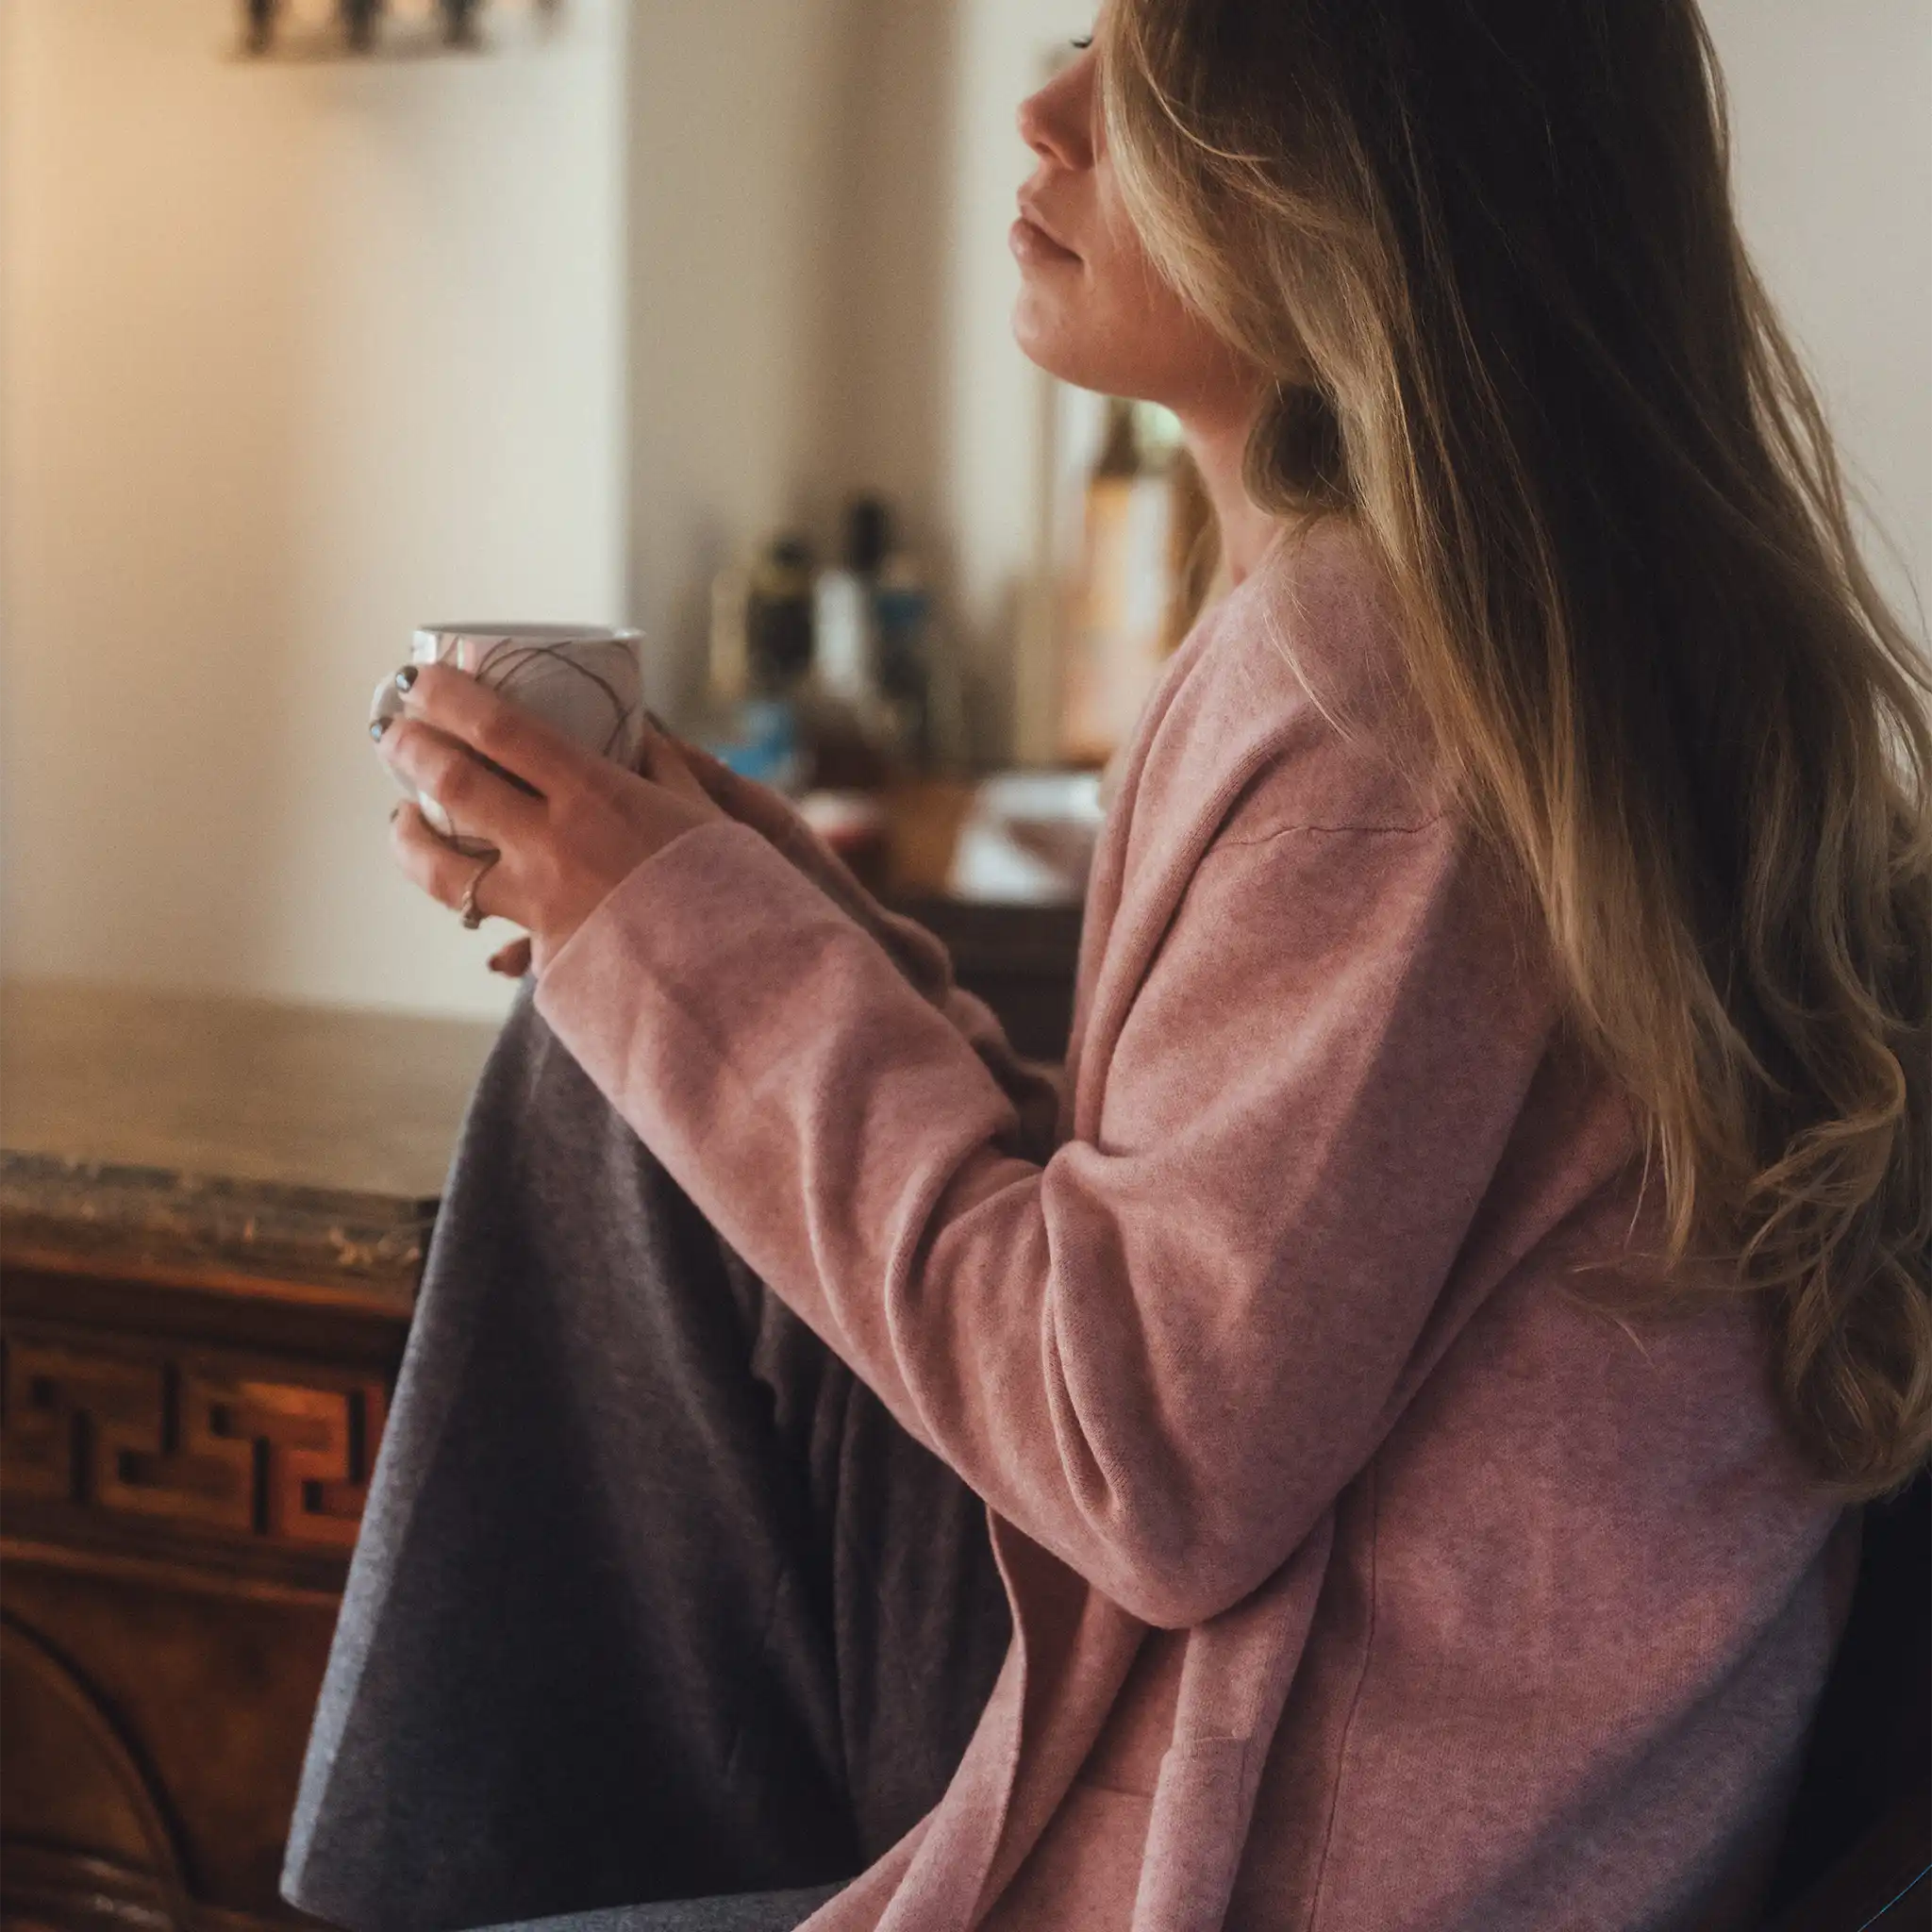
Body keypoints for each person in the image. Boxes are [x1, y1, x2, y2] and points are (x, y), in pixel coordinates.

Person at [313, 1, 1932, 1927]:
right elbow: (1204, 1264)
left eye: (1154, 81)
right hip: (1351, 1760)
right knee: (610, 1063)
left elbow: (1140, 1446)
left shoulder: (1373, 687)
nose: (1048, 106)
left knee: (605, 1065)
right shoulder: (1471, 640)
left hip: (1303, 1852)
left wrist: (673, 948)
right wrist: (706, 907)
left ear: (1359, 183)